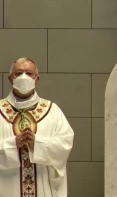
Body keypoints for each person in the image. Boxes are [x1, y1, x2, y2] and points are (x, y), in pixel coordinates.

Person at [0, 58, 74, 197]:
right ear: (10, 79)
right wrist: (12, 144)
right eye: (19, 73)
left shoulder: (52, 111)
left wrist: (38, 144)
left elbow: (65, 144)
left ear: (37, 79)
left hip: (41, 185)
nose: (24, 77)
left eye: (29, 73)